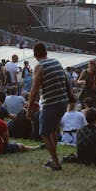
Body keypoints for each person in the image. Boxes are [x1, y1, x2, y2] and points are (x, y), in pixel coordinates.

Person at [27, 42, 71, 171]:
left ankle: (56, 163)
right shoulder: (56, 62)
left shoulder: (39, 67)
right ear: (46, 52)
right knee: (52, 130)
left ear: (35, 54)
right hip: (63, 101)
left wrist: (29, 109)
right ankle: (53, 159)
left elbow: (34, 90)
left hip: (51, 103)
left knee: (44, 132)